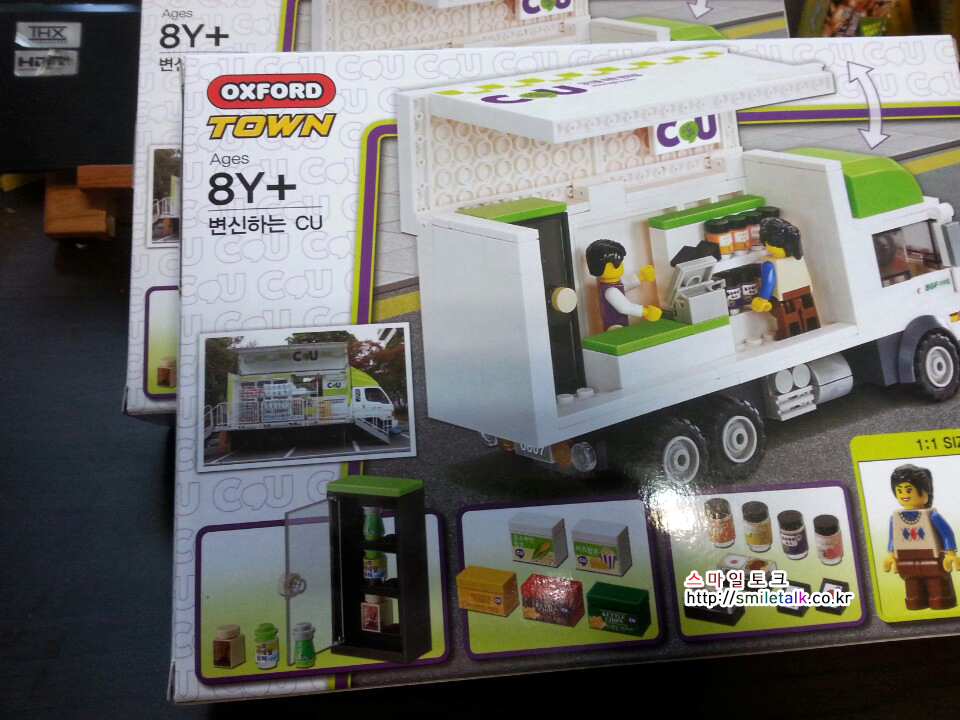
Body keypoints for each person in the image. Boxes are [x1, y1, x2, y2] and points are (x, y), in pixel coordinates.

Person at [883, 463, 960, 610]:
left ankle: (941, 600)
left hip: (932, 558)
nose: (904, 494)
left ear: (924, 492)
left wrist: (951, 555)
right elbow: (893, 538)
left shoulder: (932, 516)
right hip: (906, 560)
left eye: (908, 490)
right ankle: (915, 601)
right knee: (913, 591)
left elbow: (947, 534)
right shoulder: (895, 518)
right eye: (899, 490)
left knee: (938, 588)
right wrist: (891, 556)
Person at [750, 217, 820, 340]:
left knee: (785, 320)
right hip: (805, 294)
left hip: (781, 299)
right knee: (808, 314)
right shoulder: (797, 258)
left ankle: (787, 336)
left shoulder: (769, 264)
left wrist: (762, 299)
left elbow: (769, 283)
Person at [585, 239, 661, 331]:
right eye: (618, 263)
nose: (621, 265)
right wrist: (646, 312)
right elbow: (625, 307)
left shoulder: (607, 285)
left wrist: (641, 278)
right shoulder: (610, 291)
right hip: (615, 325)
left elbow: (622, 287)